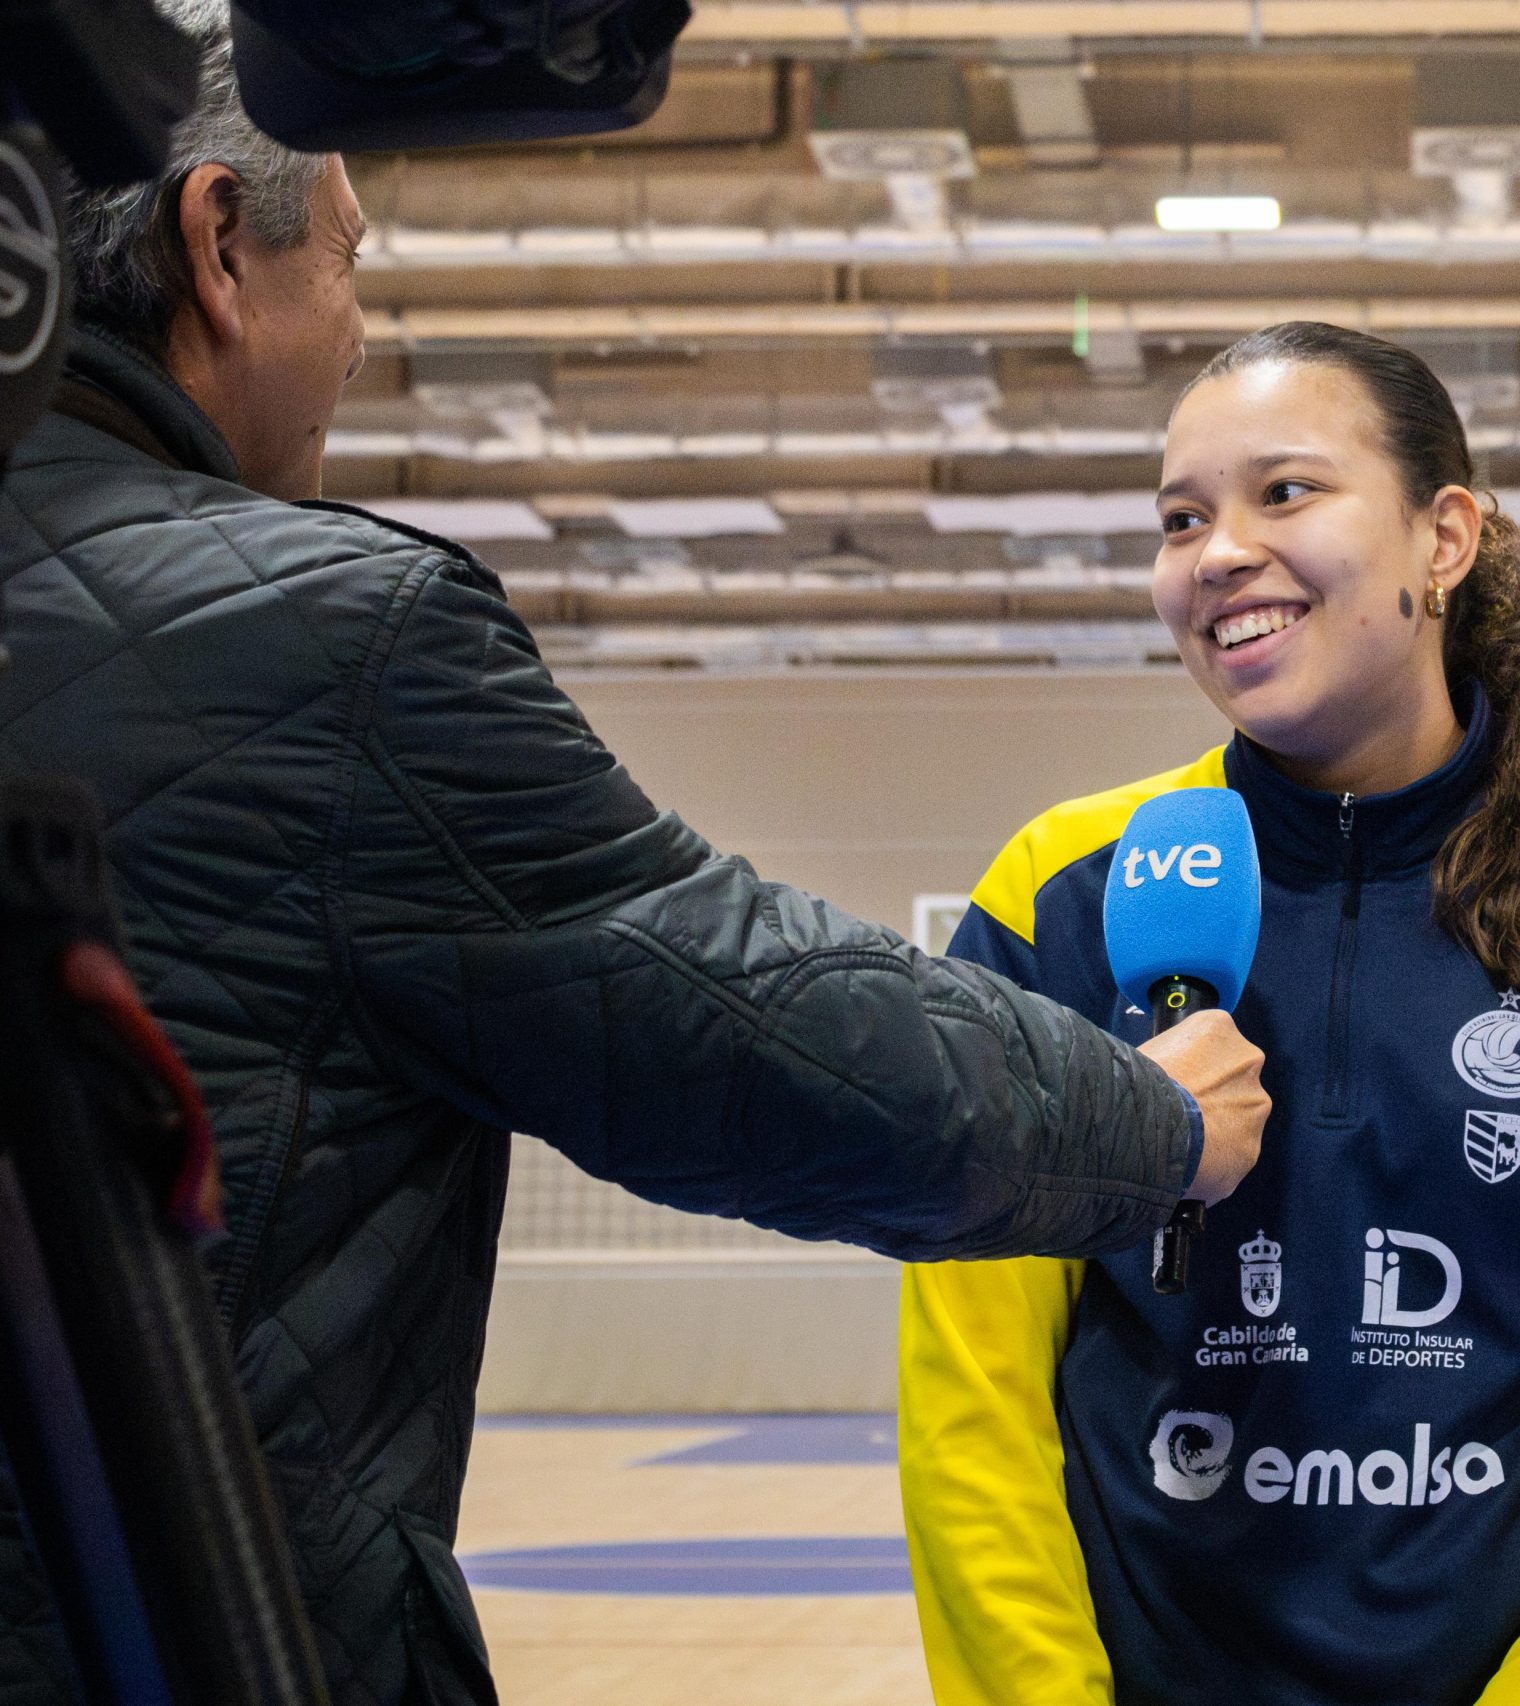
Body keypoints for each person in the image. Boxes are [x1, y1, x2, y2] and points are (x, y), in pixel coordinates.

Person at [0, 16, 1267, 1701]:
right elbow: (755, 1033)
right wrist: (1151, 1122)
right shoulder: (331, 642)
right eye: (352, 264)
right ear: (220, 244)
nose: (362, 333)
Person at [898, 321, 1520, 1706]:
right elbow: (970, 1394)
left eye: (1284, 491)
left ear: (1443, 537)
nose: (1218, 552)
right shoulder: (1056, 899)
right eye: (1180, 518)